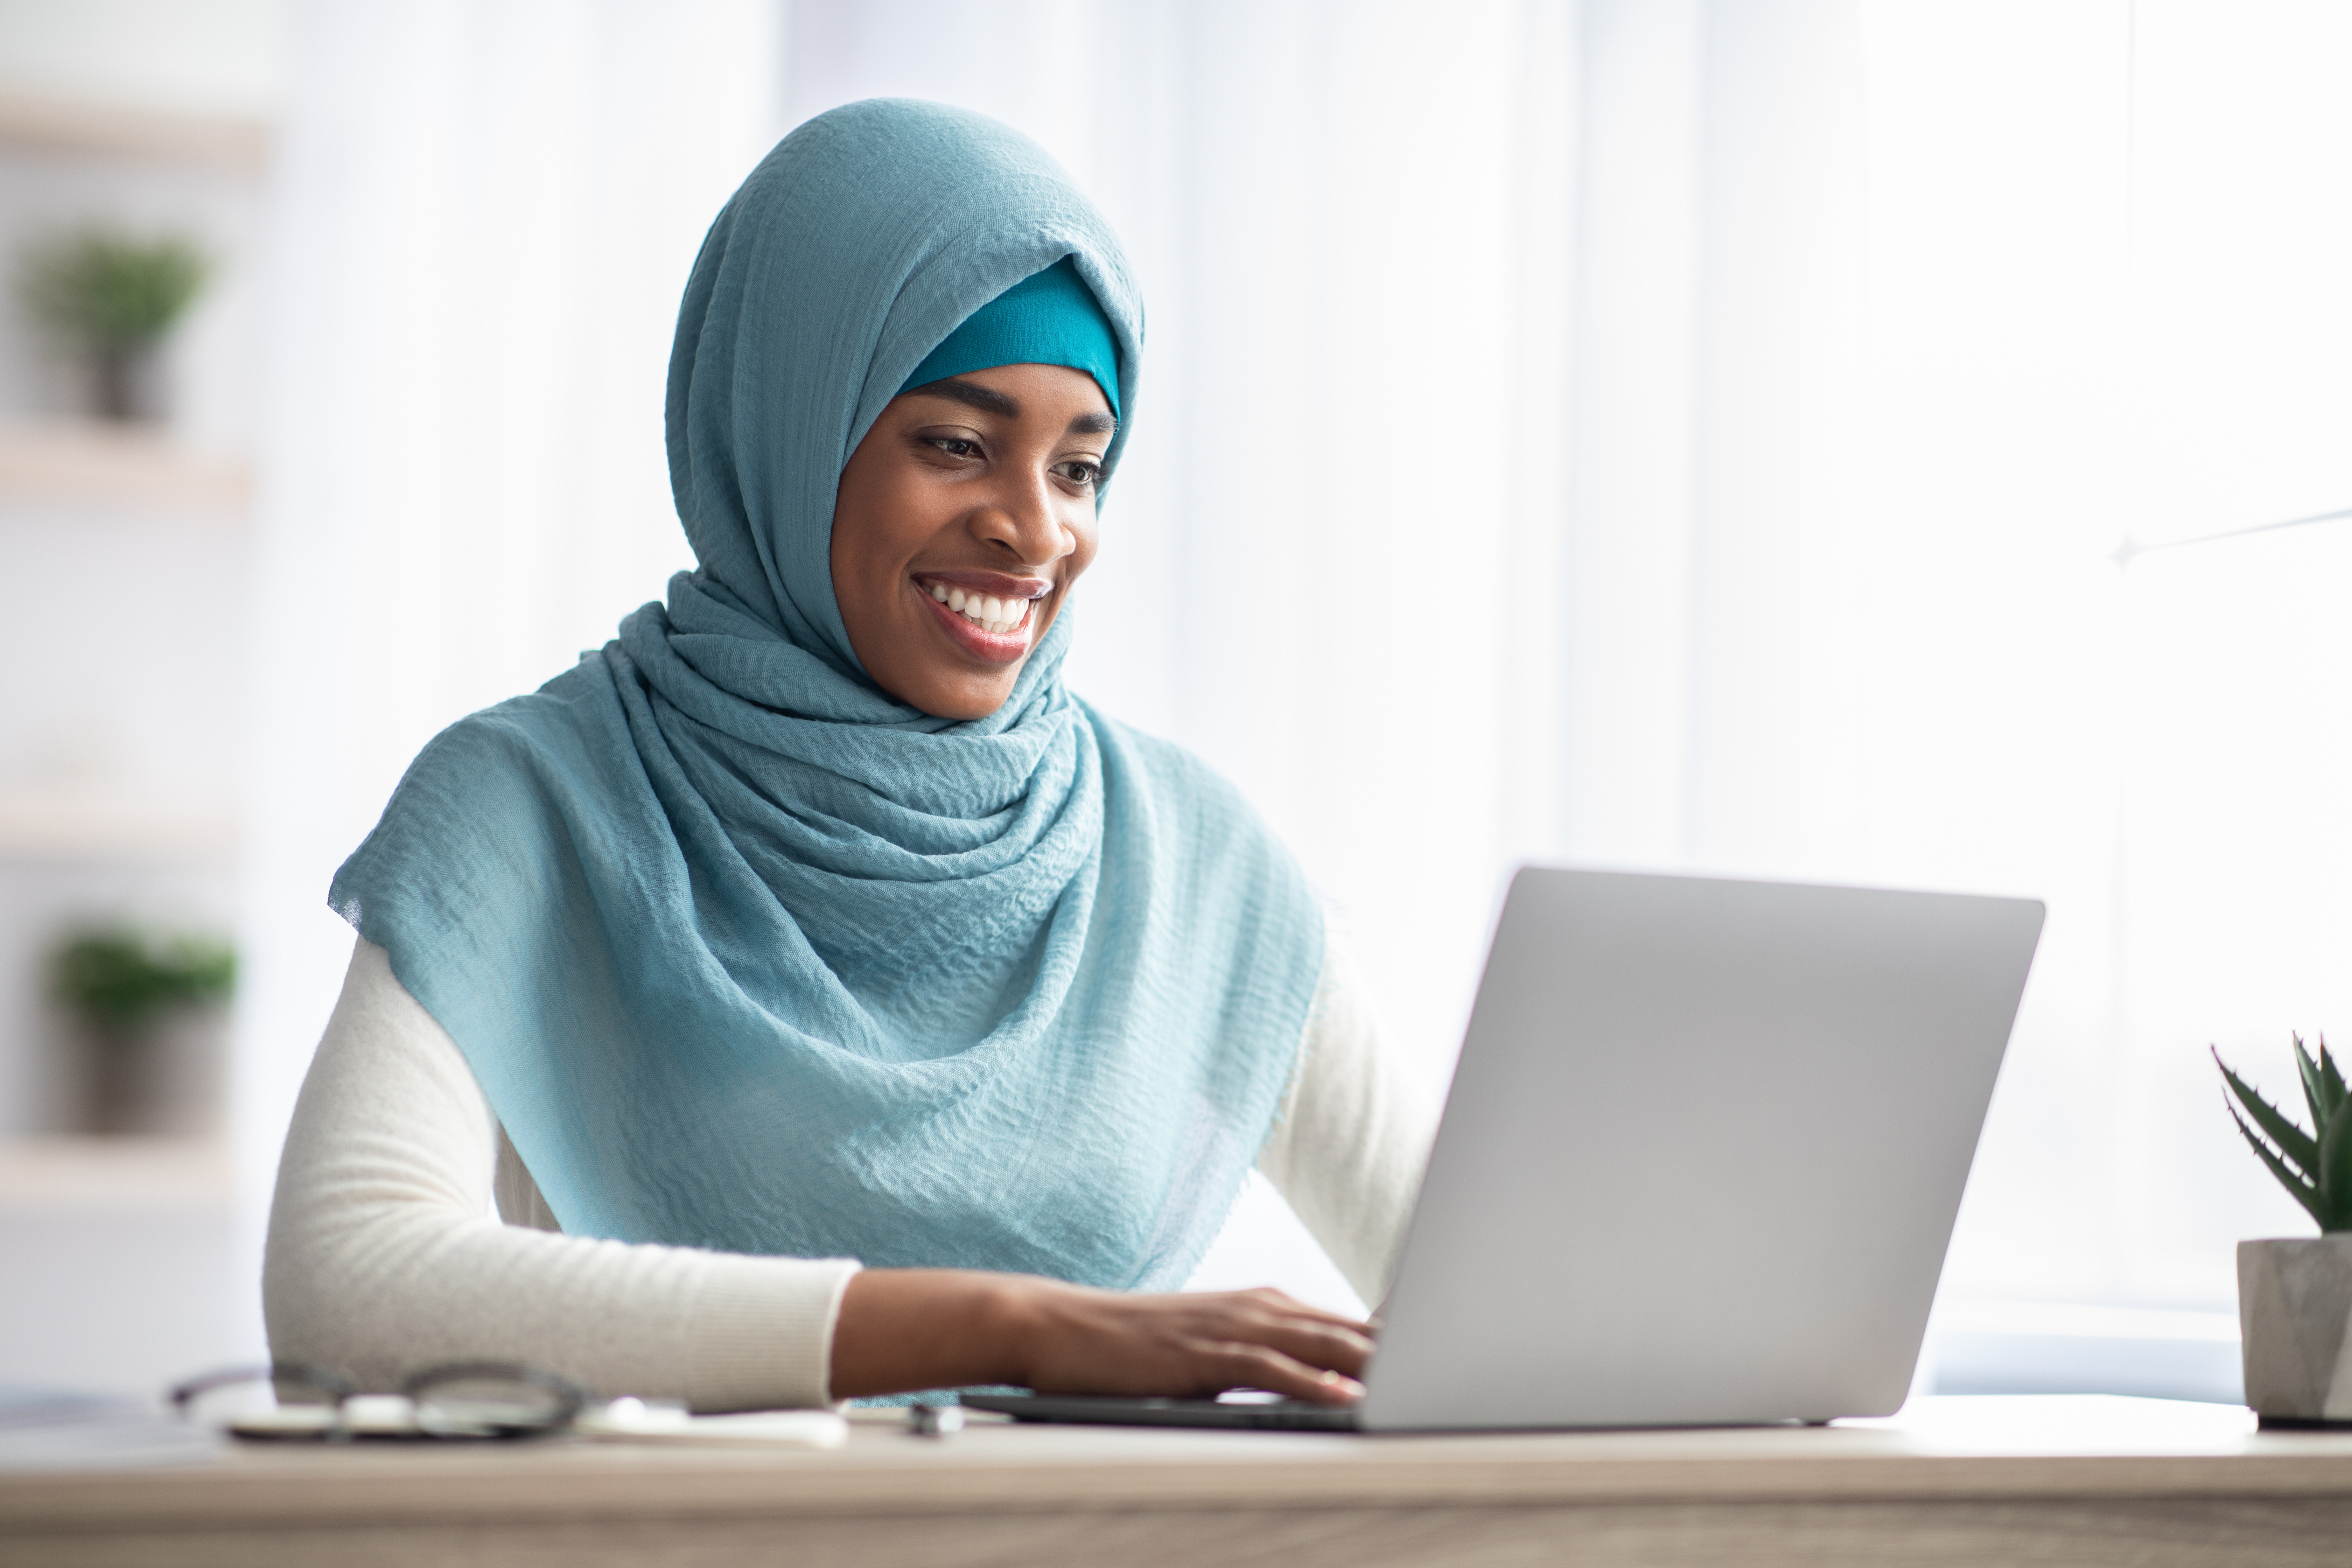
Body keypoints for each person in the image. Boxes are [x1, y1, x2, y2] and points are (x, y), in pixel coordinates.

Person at [263, 98, 1434, 1413]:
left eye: (1081, 467)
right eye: (956, 444)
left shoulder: (1186, 859)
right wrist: (1005, 1328)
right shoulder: (534, 806)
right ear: (788, 422)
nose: (1034, 533)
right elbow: (346, 1288)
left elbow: (1493, 1299)